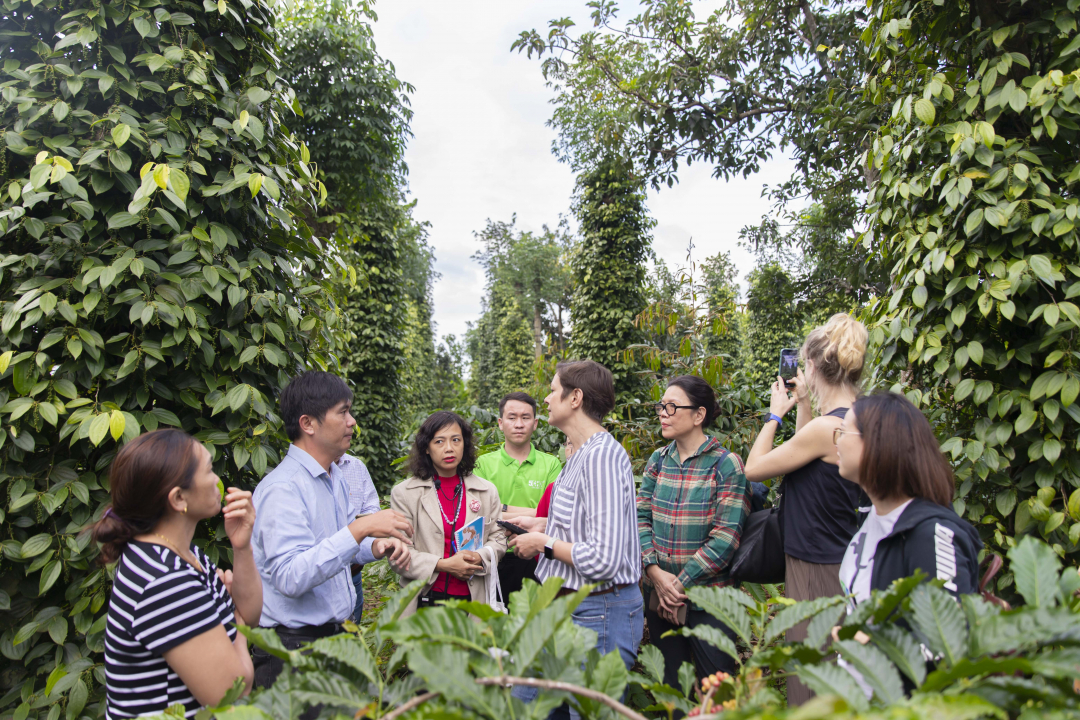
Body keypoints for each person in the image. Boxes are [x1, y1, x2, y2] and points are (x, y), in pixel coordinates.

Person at [251, 371, 413, 691]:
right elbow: (290, 576)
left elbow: (337, 547)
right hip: (292, 652)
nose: (352, 421)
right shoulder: (282, 489)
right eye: (343, 412)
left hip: (333, 639)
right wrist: (362, 527)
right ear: (308, 423)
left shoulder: (334, 477)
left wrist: (376, 547)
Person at [743, 313, 869, 706]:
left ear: (811, 367)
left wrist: (774, 414)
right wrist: (802, 403)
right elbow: (807, 455)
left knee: (811, 682)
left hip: (816, 567)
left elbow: (754, 468)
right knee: (841, 676)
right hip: (844, 558)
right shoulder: (861, 417)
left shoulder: (826, 429)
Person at [92, 429, 261, 718]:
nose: (217, 480)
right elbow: (231, 689)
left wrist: (242, 546)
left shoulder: (183, 554)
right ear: (179, 498)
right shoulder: (165, 580)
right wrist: (237, 629)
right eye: (209, 470)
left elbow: (251, 613)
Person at [511, 360, 643, 718]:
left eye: (554, 390)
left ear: (575, 398)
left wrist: (543, 545)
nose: (548, 398)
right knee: (523, 706)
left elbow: (605, 557)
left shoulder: (602, 455)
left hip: (599, 614)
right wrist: (542, 524)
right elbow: (584, 526)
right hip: (563, 609)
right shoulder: (579, 455)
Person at [637, 376, 752, 692]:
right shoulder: (658, 461)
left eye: (672, 406)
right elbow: (640, 518)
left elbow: (725, 538)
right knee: (673, 690)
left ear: (699, 415)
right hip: (659, 598)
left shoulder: (726, 466)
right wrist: (656, 575)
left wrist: (678, 583)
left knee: (714, 693)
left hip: (710, 602)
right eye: (662, 406)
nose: (663, 412)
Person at [835, 393, 981, 605]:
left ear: (878, 441)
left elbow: (949, 633)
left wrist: (869, 638)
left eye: (842, 431)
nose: (836, 442)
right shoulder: (875, 511)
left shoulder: (931, 536)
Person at [389, 411, 505, 615]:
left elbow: (499, 537)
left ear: (465, 444)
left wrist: (479, 557)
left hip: (473, 602)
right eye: (439, 442)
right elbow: (398, 554)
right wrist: (443, 565)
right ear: (426, 448)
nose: (449, 448)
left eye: (456, 440)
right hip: (424, 602)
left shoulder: (486, 491)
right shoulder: (405, 494)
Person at [475, 392, 562, 596]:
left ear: (535, 423)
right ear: (500, 423)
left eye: (525, 417)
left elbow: (555, 515)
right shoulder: (483, 465)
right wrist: (535, 513)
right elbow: (479, 515)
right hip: (495, 557)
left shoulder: (551, 464)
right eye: (512, 417)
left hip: (539, 557)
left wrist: (501, 510)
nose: (519, 424)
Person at [337, 452, 381, 622]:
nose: (351, 424)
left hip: (353, 572)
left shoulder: (356, 466)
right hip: (322, 580)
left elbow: (372, 507)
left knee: (352, 636)